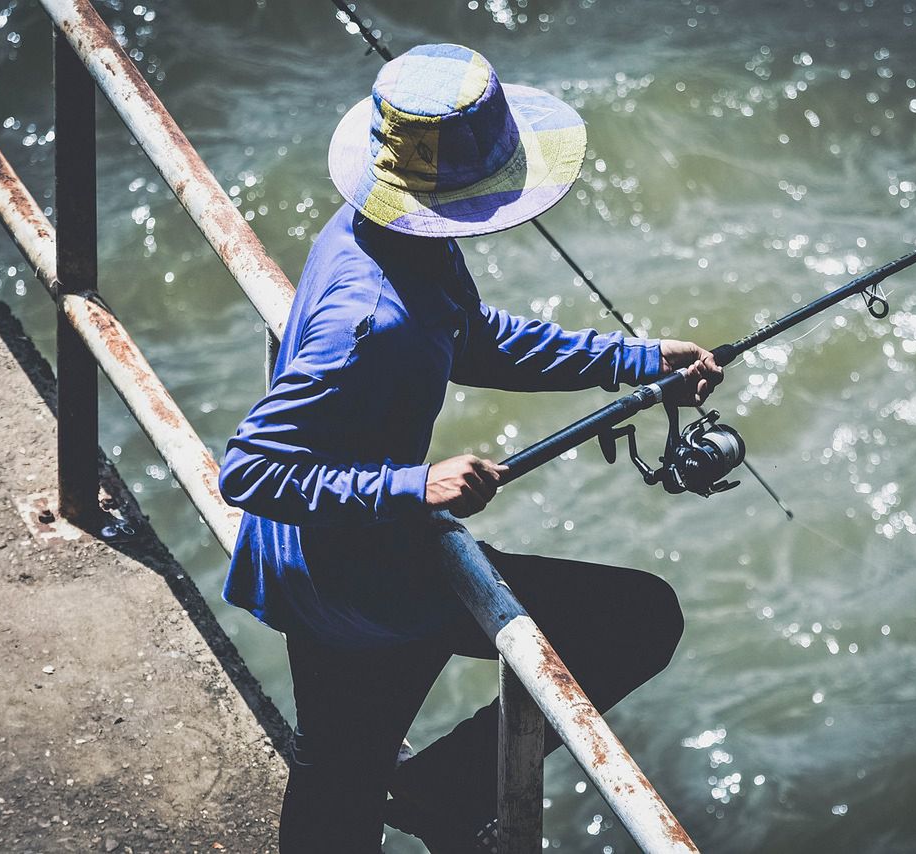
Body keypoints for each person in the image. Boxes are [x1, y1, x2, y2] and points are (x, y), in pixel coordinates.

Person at [218, 43, 722, 852]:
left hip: (316, 550)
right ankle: (442, 792)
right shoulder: (367, 321)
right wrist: (413, 488)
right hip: (357, 576)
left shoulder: (380, 233)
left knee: (338, 774)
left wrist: (633, 360)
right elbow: (250, 467)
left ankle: (432, 791)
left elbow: (472, 336)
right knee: (638, 619)